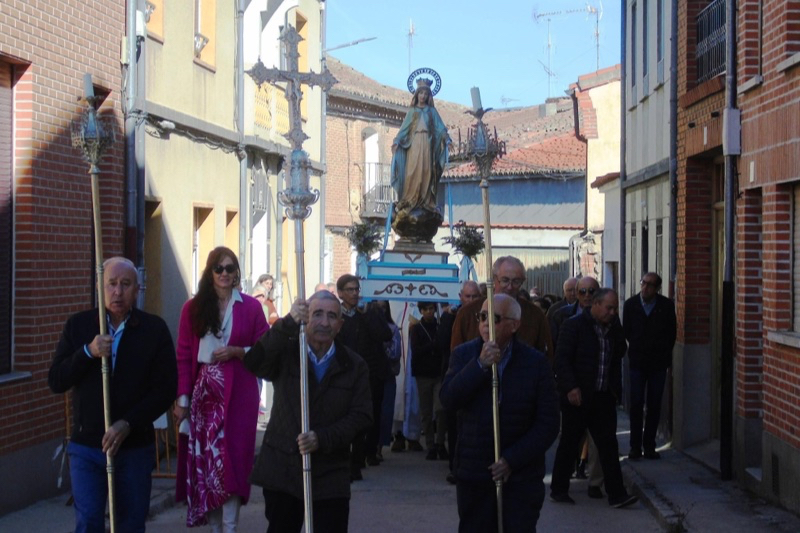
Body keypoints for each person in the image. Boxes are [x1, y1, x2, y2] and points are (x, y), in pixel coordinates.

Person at [48, 257, 177, 533]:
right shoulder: (80, 326)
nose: (117, 291)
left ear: (137, 289)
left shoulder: (153, 330)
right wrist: (87, 352)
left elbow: (165, 389)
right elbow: (56, 380)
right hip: (87, 446)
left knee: (130, 523)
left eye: (125, 284)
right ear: (100, 287)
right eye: (111, 284)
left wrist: (128, 423)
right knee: (90, 521)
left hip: (134, 447)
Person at [243, 291, 372, 533]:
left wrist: (322, 438)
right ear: (306, 317)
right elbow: (254, 363)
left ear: (340, 325)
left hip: (330, 475)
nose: (324, 322)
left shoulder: (354, 366)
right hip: (284, 471)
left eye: (332, 316)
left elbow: (361, 417)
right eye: (317, 314)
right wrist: (288, 323)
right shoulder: (288, 353)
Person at [441, 294, 560, 533]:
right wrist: (479, 366)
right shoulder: (464, 355)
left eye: (493, 318)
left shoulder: (535, 363)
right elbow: (449, 399)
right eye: (482, 316)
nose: (485, 323)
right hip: (475, 471)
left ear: (514, 325)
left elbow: (548, 423)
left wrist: (511, 460)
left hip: (520, 476)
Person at [174, 247, 269, 531]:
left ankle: (230, 527)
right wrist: (182, 399)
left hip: (239, 391)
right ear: (210, 273)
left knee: (234, 462)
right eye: (219, 269)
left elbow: (266, 348)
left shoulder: (251, 307)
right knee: (209, 464)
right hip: (205, 395)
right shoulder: (193, 308)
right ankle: (216, 527)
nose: (225, 274)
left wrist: (239, 351)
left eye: (230, 269)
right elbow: (183, 355)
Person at [549, 289, 639, 509]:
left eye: (615, 308)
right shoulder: (574, 326)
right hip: (578, 396)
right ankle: (559, 489)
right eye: (609, 308)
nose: (612, 312)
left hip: (603, 395)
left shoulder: (612, 328)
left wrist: (614, 391)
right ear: (595, 305)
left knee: (608, 445)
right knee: (570, 442)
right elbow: (562, 359)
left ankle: (617, 494)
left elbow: (619, 352)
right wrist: (570, 387)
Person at [335, 274, 393, 477]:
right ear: (341, 293)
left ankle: (362, 457)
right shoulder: (337, 316)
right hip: (344, 373)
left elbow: (385, 334)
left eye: (356, 289)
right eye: (349, 290)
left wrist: (368, 314)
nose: (354, 294)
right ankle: (347, 460)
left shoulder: (368, 313)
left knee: (368, 414)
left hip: (369, 372)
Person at [450, 256, 553, 361]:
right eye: (505, 280)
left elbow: (546, 357)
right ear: (494, 279)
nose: (510, 286)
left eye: (516, 281)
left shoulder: (534, 315)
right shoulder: (469, 313)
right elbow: (456, 357)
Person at [623, 272, 677, 460]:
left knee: (654, 404)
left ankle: (649, 445)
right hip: (637, 361)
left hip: (658, 363)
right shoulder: (631, 305)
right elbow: (627, 331)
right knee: (636, 403)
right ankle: (634, 446)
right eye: (643, 283)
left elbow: (672, 333)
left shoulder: (666, 306)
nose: (645, 288)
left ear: (657, 288)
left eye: (650, 285)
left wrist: (661, 351)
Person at [436, 281, 481, 482]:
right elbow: (447, 344)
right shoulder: (452, 316)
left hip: (480, 373)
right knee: (455, 423)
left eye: (475, 297)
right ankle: (455, 466)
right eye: (468, 296)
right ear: (461, 296)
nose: (471, 301)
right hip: (457, 373)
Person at [390, 78, 451, 211]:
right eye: (421, 93)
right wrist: (397, 141)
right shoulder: (412, 112)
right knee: (412, 171)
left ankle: (426, 201)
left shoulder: (432, 112)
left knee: (426, 171)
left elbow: (440, 128)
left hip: (428, 145)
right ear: (416, 94)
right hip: (414, 143)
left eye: (426, 94)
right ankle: (409, 199)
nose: (423, 96)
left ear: (428, 96)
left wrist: (447, 139)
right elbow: (404, 130)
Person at [409, 301, 447, 460]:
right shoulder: (417, 329)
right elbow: (416, 350)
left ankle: (440, 443)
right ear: (421, 311)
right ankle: (431, 445)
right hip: (423, 374)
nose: (429, 312)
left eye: (431, 309)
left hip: (438, 373)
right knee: (426, 410)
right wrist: (432, 346)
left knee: (440, 409)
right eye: (426, 309)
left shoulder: (439, 327)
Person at [370, 300, 402, 461]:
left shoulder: (392, 328)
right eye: (378, 308)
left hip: (387, 373)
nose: (380, 311)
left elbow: (396, 352)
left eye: (383, 308)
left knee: (385, 412)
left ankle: (379, 447)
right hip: (372, 374)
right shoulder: (367, 326)